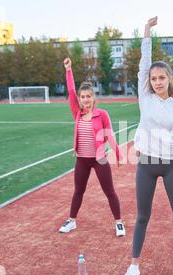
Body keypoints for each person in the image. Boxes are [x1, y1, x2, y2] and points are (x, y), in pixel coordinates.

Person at [120, 17, 173, 275]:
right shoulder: (145, 97)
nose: (157, 81)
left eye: (161, 77)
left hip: (171, 166)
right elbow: (143, 64)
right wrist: (146, 33)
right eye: (153, 78)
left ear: (169, 79)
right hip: (146, 165)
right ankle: (134, 265)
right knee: (142, 216)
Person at [58, 58, 125, 237]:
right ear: (79, 100)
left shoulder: (102, 114)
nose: (85, 100)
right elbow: (71, 91)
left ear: (93, 98)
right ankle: (71, 220)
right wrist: (69, 70)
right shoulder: (77, 113)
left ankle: (118, 222)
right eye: (83, 97)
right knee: (78, 191)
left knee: (109, 191)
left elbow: (110, 134)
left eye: (88, 96)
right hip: (82, 160)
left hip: (99, 160)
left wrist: (118, 154)